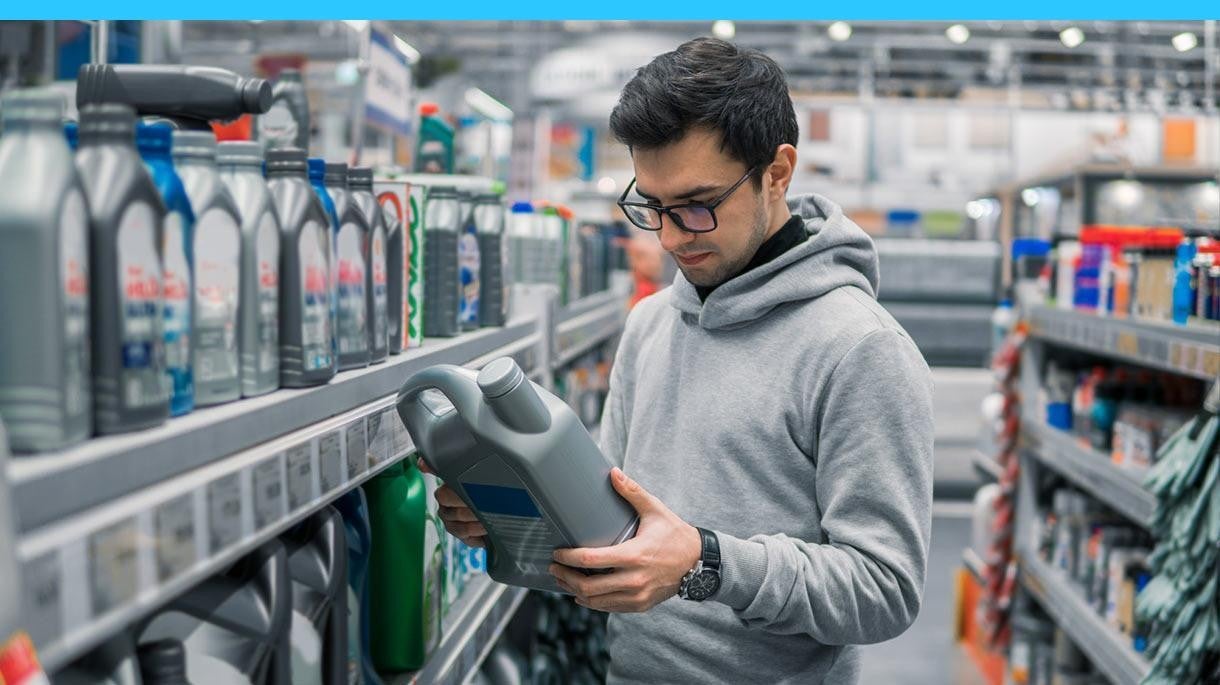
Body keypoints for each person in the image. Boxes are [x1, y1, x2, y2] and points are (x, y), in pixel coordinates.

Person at [424, 37, 934, 683]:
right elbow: (612, 529)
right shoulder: (651, 323)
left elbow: (883, 590)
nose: (668, 237)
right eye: (652, 206)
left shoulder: (860, 349)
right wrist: (514, 519)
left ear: (777, 172)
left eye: (696, 206)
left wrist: (708, 561)